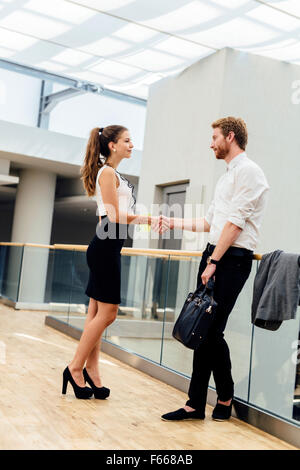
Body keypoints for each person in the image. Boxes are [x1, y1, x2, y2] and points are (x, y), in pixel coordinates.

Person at [161, 117, 269, 421]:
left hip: (231, 259)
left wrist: (213, 262)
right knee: (205, 330)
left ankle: (210, 399)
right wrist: (174, 223)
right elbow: (211, 223)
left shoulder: (250, 173)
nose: (211, 143)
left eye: (214, 137)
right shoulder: (226, 177)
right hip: (215, 253)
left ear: (230, 137)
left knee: (211, 330)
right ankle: (210, 400)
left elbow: (235, 225)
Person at [62, 125, 164, 399]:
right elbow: (114, 216)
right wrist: (148, 219)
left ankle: (92, 372)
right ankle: (75, 368)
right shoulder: (107, 173)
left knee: (96, 314)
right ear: (112, 146)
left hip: (106, 247)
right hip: (105, 249)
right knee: (108, 313)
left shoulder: (113, 174)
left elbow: (105, 218)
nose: (132, 145)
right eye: (127, 141)